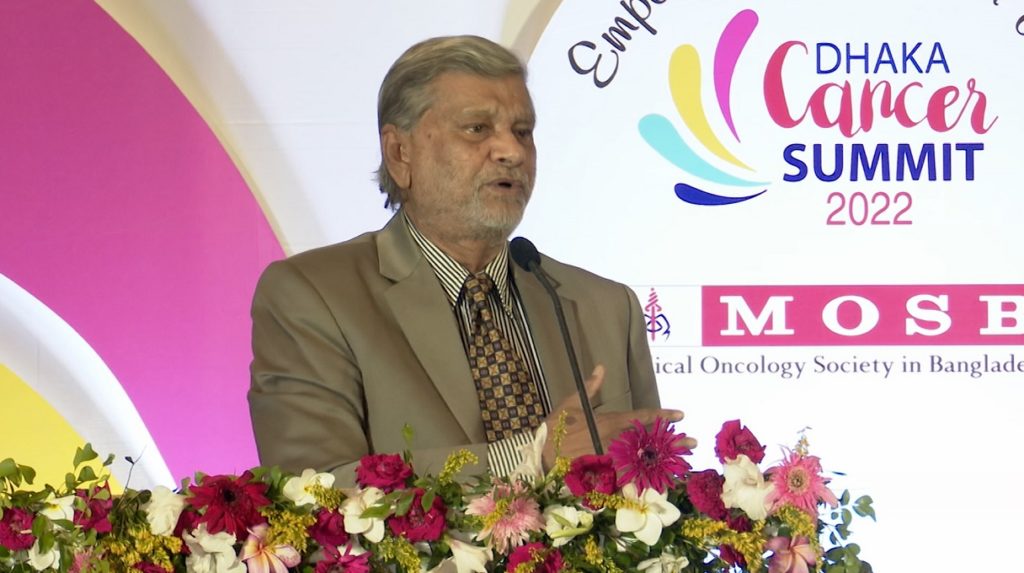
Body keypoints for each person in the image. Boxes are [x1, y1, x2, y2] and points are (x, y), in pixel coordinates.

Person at [248, 35, 690, 485]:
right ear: (400, 153)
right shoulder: (313, 296)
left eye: (523, 131)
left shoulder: (607, 308)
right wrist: (530, 458)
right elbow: (314, 488)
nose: (512, 152)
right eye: (477, 128)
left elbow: (650, 500)